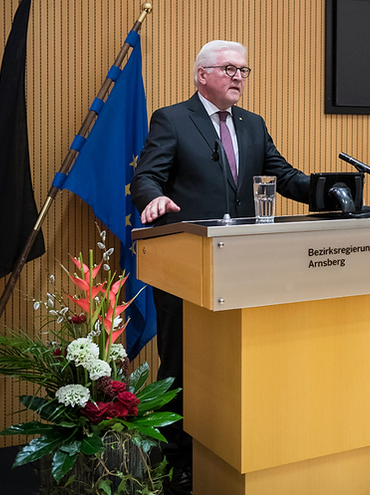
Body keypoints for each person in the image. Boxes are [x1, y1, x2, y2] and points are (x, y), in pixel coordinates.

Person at [131, 40, 310, 495]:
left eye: (244, 70)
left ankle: (228, 446)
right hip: (186, 267)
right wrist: (154, 198)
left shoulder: (253, 125)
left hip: (244, 269)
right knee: (182, 365)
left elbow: (283, 176)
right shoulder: (172, 119)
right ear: (201, 75)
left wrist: (331, 192)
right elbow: (145, 176)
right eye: (230, 69)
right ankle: (174, 461)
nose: (239, 78)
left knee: (234, 361)